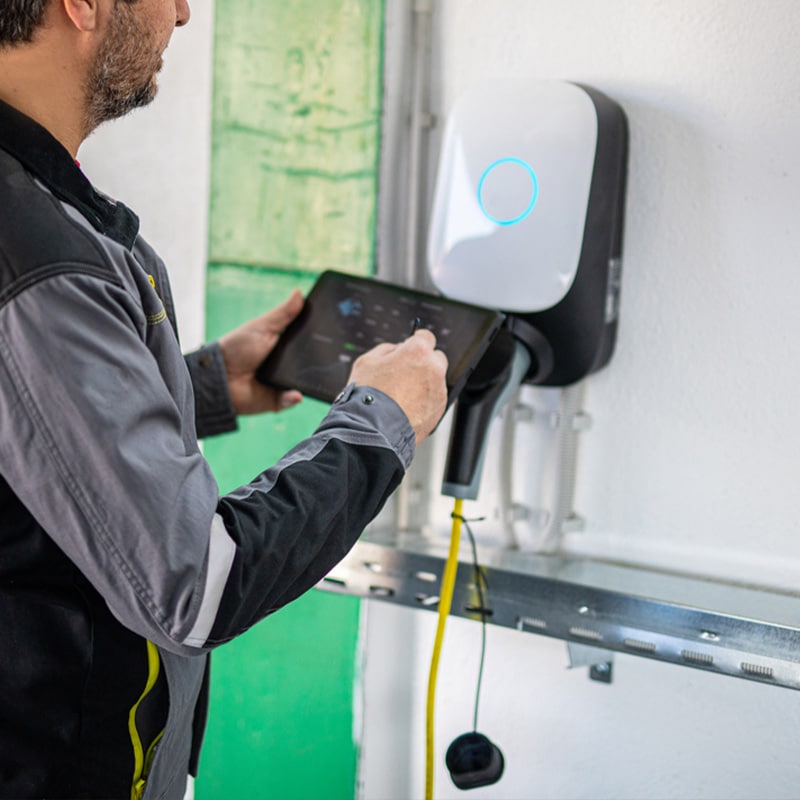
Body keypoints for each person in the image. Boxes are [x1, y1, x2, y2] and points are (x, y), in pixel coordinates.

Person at [0, 1, 449, 797]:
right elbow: (195, 583)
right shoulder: (38, 255)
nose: (181, 15)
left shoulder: (47, 215)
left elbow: (29, 427)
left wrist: (208, 384)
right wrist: (379, 421)